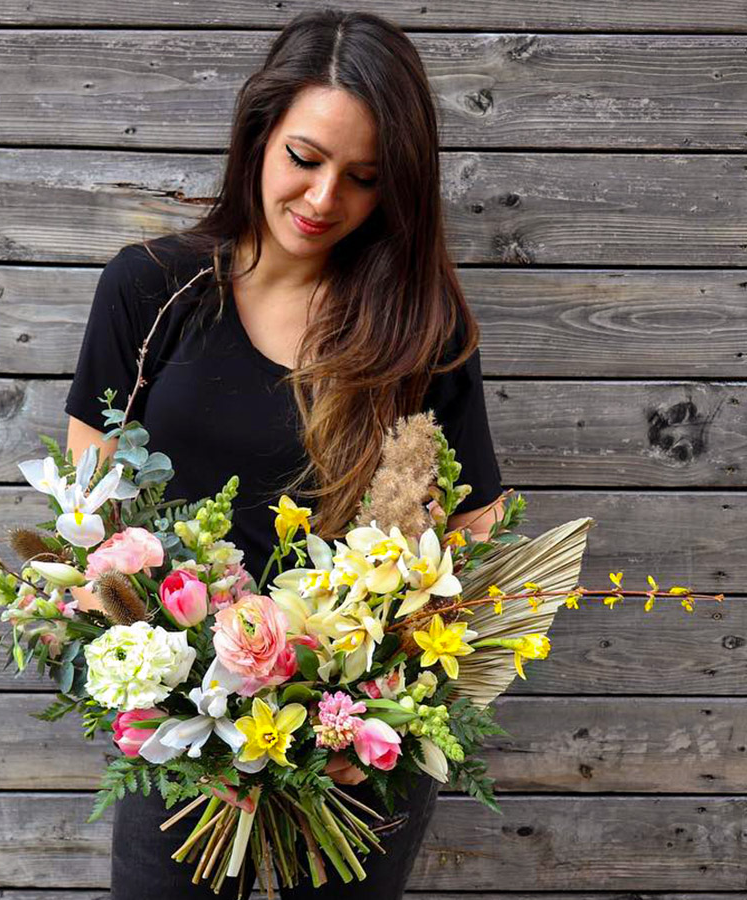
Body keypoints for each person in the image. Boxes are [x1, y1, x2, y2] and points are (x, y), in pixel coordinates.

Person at [63, 8, 504, 898]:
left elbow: (477, 542)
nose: (322, 200)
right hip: (185, 736)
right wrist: (158, 685)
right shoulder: (151, 291)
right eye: (305, 159)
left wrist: (376, 712)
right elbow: (90, 522)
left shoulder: (420, 330)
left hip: (357, 748)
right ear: (259, 133)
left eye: (365, 179)